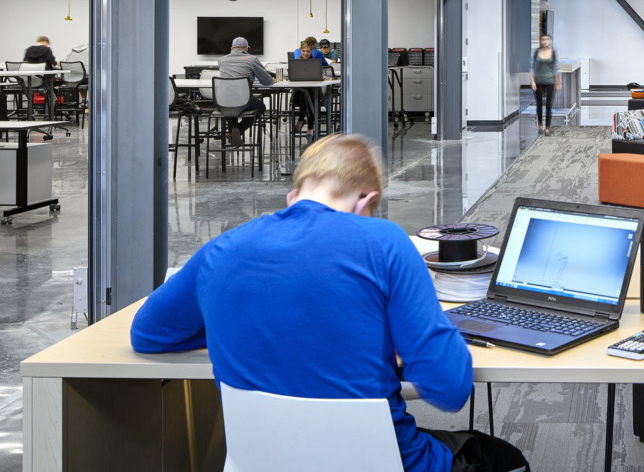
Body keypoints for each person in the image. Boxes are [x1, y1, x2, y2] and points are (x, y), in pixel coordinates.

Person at [131, 134, 526, 472]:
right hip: (387, 462)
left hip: (264, 461)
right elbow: (449, 388)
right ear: (365, 200)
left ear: (293, 196)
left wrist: (231, 328)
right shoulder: (383, 241)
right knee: (503, 457)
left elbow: (147, 334)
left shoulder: (220, 249)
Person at [216, 36, 274, 146]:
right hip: (243, 101)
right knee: (261, 107)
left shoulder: (221, 60)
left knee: (228, 103)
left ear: (232, 48)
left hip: (221, 102)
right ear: (246, 48)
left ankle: (233, 128)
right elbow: (267, 81)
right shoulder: (252, 59)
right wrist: (272, 79)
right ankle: (239, 129)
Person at [531, 33, 557, 135]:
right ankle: (540, 125)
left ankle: (547, 128)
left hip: (550, 81)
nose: (545, 41)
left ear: (550, 41)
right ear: (540, 41)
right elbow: (532, 68)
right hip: (538, 81)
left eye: (547, 39)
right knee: (539, 104)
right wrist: (533, 82)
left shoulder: (553, 52)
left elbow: (556, 68)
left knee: (549, 105)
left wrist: (558, 82)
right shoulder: (537, 52)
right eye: (543, 39)